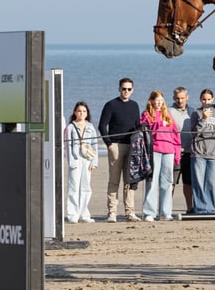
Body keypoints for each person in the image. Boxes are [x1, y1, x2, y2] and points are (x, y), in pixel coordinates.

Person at [98, 77, 141, 222]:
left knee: (130, 181)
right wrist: (109, 144)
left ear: (132, 90)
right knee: (114, 180)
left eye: (129, 89)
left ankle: (130, 212)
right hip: (115, 146)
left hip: (132, 147)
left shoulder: (135, 105)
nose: (126, 91)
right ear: (119, 89)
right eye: (124, 89)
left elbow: (137, 125)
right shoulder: (111, 105)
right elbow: (102, 126)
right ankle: (112, 212)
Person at [140, 90, 181, 221]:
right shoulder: (146, 114)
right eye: (156, 100)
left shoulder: (168, 115)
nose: (158, 103)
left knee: (167, 183)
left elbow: (176, 136)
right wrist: (158, 124)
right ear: (151, 101)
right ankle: (149, 213)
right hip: (154, 151)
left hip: (169, 151)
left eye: (160, 101)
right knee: (152, 181)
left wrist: (177, 155)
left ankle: (165, 212)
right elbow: (144, 130)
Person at [190, 89, 215, 214]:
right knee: (199, 182)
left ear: (213, 99)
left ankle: (211, 208)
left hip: (214, 153)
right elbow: (195, 133)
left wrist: (206, 134)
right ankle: (200, 208)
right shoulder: (196, 114)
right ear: (201, 99)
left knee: (211, 182)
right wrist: (204, 120)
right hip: (198, 153)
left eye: (209, 99)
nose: (206, 102)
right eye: (204, 99)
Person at [64, 101, 99, 223]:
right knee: (73, 187)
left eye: (84, 111)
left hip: (87, 159)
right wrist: (71, 161)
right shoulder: (70, 127)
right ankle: (72, 214)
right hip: (76, 159)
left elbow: (94, 144)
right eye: (79, 111)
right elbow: (68, 145)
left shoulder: (90, 127)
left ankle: (84, 214)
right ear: (75, 113)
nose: (81, 113)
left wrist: (94, 162)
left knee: (86, 187)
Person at [168, 87, 195, 213]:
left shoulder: (193, 111)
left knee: (188, 182)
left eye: (182, 98)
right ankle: (166, 208)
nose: (180, 100)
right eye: (178, 98)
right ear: (174, 98)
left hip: (190, 152)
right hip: (174, 152)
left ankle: (190, 208)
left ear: (187, 97)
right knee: (171, 183)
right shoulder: (169, 111)